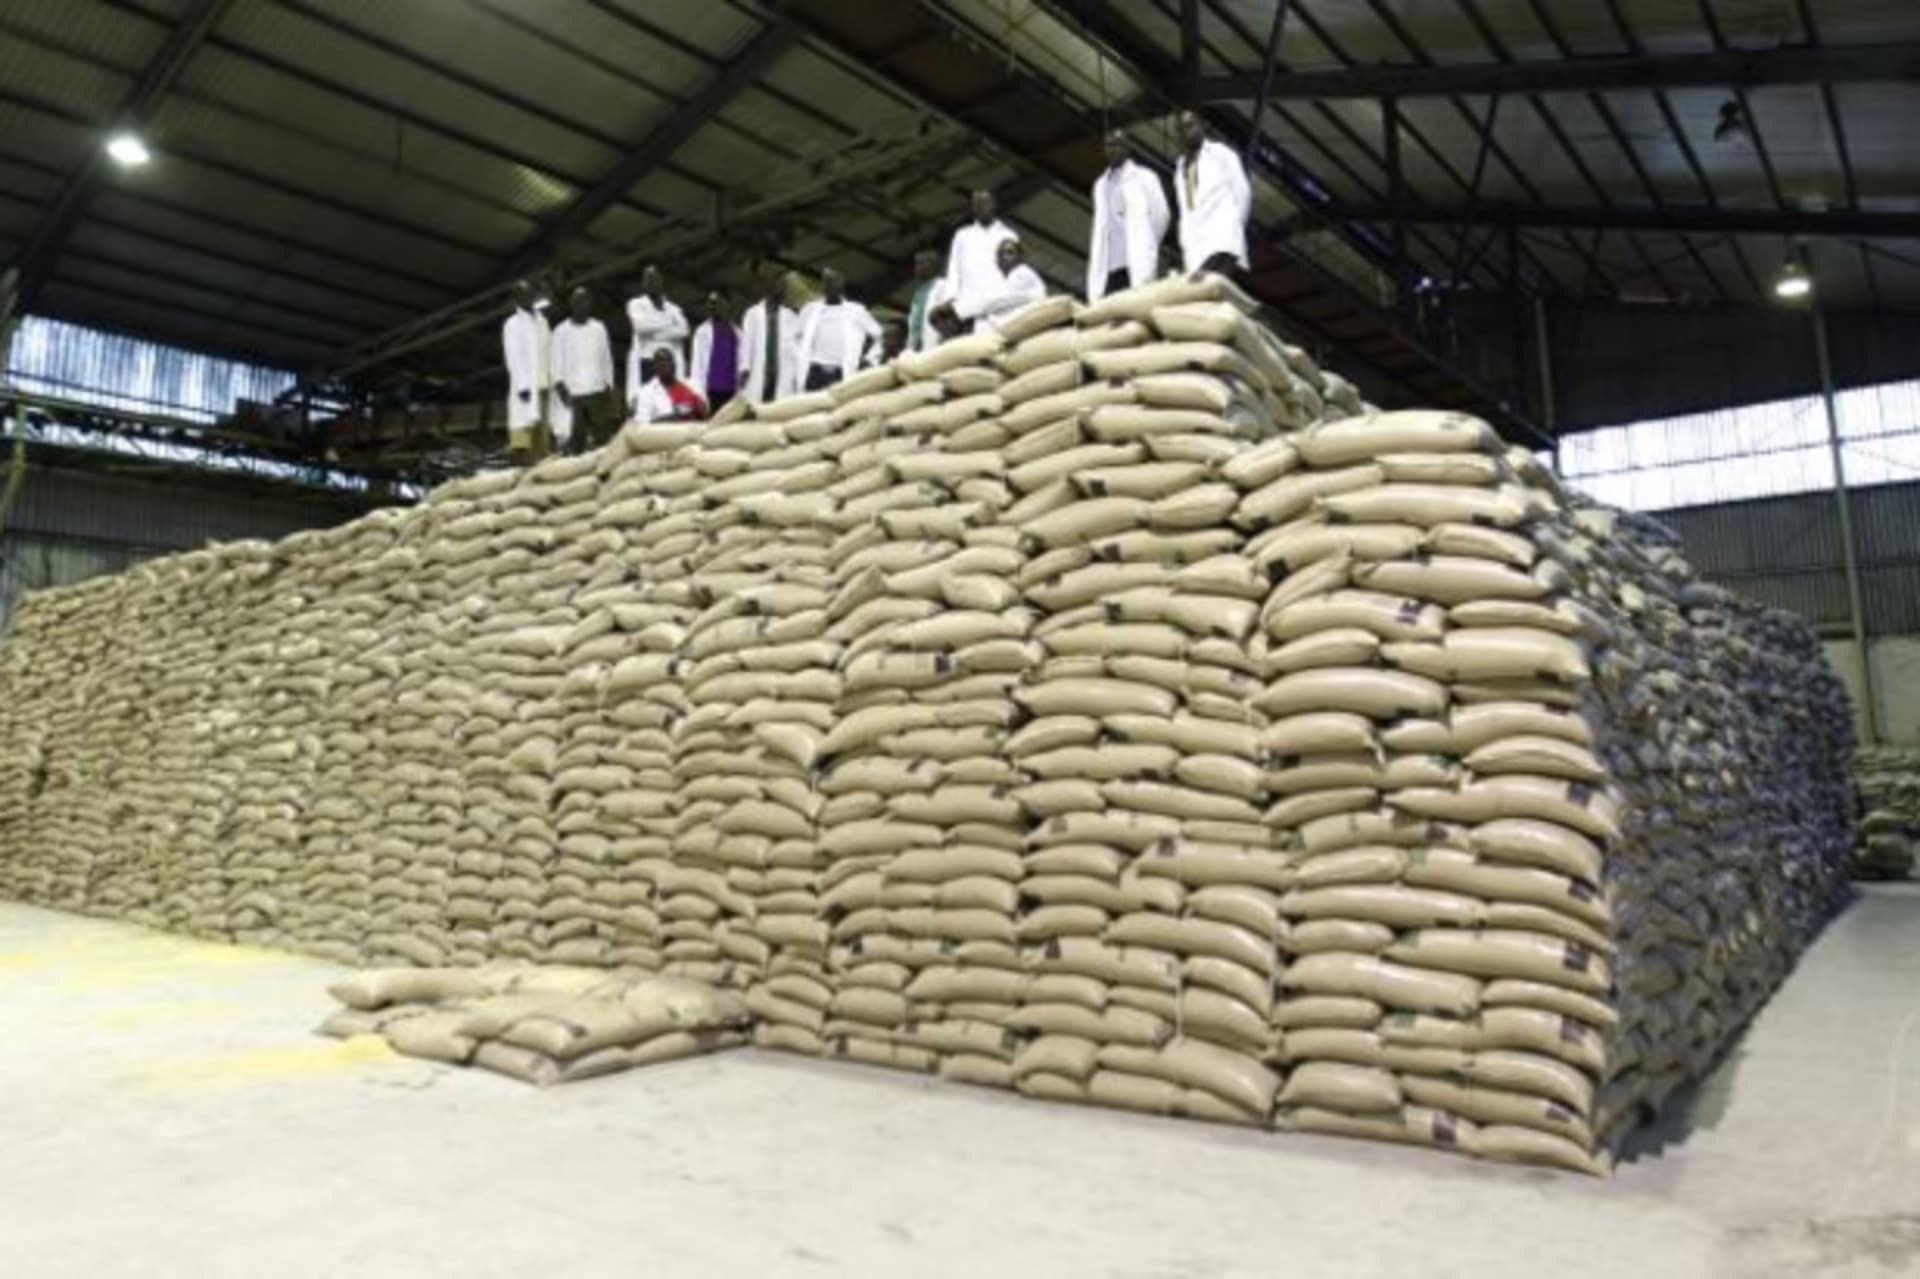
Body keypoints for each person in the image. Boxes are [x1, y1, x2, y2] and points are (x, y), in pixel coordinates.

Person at [1087, 128, 1170, 300]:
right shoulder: (1100, 185)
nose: (1113, 149)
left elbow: (1161, 215)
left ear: (1127, 148)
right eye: (1109, 145)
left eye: (1118, 145)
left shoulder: (1145, 177)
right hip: (1108, 267)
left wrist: (1146, 242)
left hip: (1135, 262)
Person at [1172, 109, 1252, 277]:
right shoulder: (1180, 168)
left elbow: (1242, 192)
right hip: (1195, 247)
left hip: (1222, 239)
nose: (1186, 132)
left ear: (1202, 126)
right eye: (1181, 129)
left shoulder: (1221, 153)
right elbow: (1187, 210)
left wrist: (1233, 227)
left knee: (1208, 286)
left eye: (1190, 125)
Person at [549, 287, 618, 455]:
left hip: (597, 390)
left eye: (586, 301)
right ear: (571, 304)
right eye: (578, 301)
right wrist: (560, 386)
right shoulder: (561, 331)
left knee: (602, 441)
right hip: (573, 393)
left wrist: (609, 384)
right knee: (575, 444)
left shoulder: (599, 328)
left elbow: (606, 358)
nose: (583, 305)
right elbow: (555, 362)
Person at [796, 268, 882, 391]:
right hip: (814, 373)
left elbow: (881, 336)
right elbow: (796, 338)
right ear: (822, 285)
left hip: (841, 374)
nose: (830, 285)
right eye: (826, 281)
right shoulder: (810, 309)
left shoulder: (856, 311)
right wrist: (801, 361)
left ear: (841, 284)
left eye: (834, 281)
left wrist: (870, 359)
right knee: (811, 408)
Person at [942, 189, 1018, 325]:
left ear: (994, 205)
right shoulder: (962, 235)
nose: (980, 207)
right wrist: (950, 297)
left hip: (998, 300)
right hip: (968, 301)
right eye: (976, 204)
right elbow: (954, 268)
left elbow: (1015, 270)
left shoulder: (1008, 235)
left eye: (984, 203)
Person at [624, 265, 688, 414]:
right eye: (647, 279)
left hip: (670, 366)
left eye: (654, 278)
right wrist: (669, 324)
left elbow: (684, 330)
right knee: (647, 408)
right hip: (647, 363)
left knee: (669, 407)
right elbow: (640, 327)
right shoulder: (636, 304)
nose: (651, 282)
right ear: (643, 283)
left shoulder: (674, 308)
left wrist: (654, 333)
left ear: (661, 281)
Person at [500, 278, 551, 463]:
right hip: (525, 386)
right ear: (516, 298)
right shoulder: (512, 324)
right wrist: (522, 385)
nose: (528, 297)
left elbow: (548, 350)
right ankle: (522, 469)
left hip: (543, 382)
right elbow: (513, 356)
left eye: (530, 293)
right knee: (523, 432)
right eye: (523, 294)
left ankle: (540, 465)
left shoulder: (542, 322)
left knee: (542, 434)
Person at [738, 268, 800, 405]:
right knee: (755, 409)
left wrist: (797, 374)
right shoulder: (753, 313)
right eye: (781, 286)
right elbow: (747, 343)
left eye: (786, 287)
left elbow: (797, 348)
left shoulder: (791, 317)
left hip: (782, 373)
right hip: (759, 372)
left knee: (777, 410)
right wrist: (744, 368)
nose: (785, 291)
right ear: (771, 287)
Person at [967, 238, 1046, 334]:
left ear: (1020, 257)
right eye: (1001, 254)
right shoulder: (1009, 279)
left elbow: (999, 301)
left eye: (1010, 253)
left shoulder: (1022, 273)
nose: (1004, 257)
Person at [688, 291, 740, 414]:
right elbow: (696, 366)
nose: (711, 307)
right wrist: (698, 393)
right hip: (711, 391)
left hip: (732, 391)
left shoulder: (737, 332)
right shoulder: (702, 332)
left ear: (727, 305)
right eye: (710, 304)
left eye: (716, 303)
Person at [633, 348, 708, 423]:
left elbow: (705, 415)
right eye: (661, 361)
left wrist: (699, 409)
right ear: (654, 367)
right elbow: (642, 423)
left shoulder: (690, 385)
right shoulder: (646, 392)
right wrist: (674, 416)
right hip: (663, 433)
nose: (666, 364)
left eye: (669, 361)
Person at [904, 248, 952, 352]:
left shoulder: (944, 286)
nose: (916, 268)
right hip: (916, 345)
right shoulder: (918, 292)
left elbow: (947, 317)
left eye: (920, 264)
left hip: (936, 341)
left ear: (933, 265)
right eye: (916, 264)